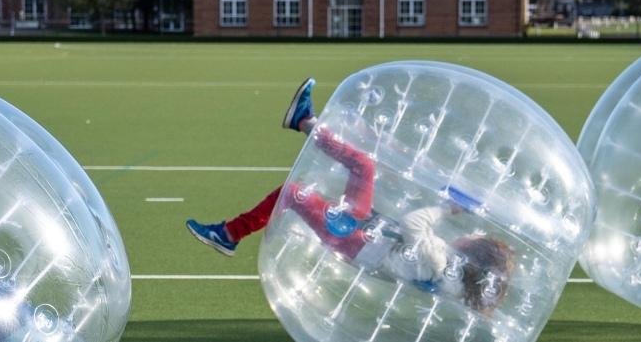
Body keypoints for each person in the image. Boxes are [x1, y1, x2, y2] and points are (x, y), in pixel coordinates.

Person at [184, 79, 517, 316]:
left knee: (295, 194)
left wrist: (448, 208)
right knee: (364, 166)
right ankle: (304, 121)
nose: (472, 234)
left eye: (478, 238)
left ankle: (228, 235)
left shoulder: (442, 263)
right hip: (365, 229)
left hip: (355, 241)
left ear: (476, 252)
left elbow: (413, 223)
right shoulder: (449, 270)